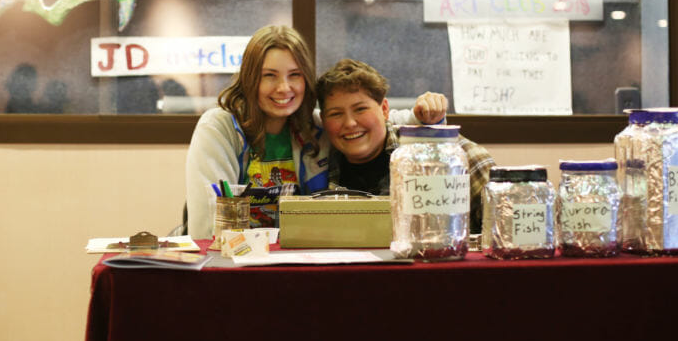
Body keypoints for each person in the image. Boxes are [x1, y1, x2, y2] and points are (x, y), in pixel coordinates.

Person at [185, 25, 449, 239]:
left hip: (293, 258)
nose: (283, 88)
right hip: (233, 260)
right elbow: (206, 227)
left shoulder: (314, 127)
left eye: (295, 75)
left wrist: (425, 113)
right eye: (269, 75)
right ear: (250, 78)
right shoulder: (220, 127)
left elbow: (379, 121)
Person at [316, 58, 495, 233]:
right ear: (323, 120)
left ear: (384, 109)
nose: (350, 123)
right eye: (336, 114)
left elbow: (502, 225)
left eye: (360, 109)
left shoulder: (446, 154)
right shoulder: (316, 167)